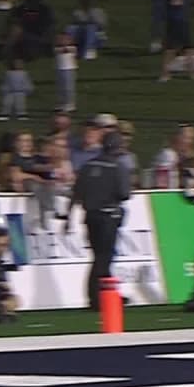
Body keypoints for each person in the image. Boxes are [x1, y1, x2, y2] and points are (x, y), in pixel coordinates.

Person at [64, 129, 131, 310]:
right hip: (108, 216)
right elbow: (124, 194)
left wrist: (68, 218)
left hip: (90, 217)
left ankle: (107, 293)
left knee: (99, 256)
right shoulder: (118, 167)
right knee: (104, 258)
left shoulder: (87, 166)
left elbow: (76, 193)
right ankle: (96, 298)